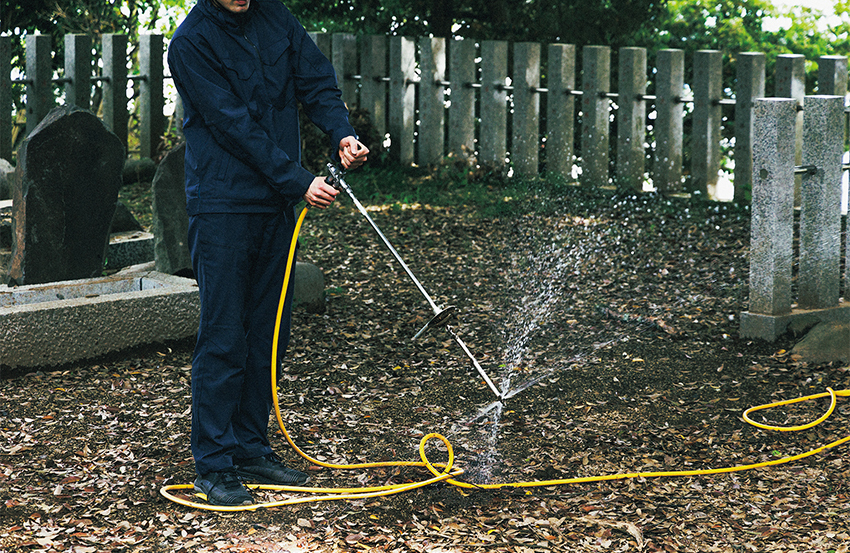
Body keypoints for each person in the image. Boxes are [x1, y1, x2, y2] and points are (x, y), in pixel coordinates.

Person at [168, 0, 368, 506]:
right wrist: (299, 179)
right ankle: (213, 464)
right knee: (224, 332)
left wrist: (340, 131)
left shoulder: (276, 18)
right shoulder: (190, 42)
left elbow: (316, 79)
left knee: (265, 329)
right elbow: (233, 125)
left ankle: (251, 448)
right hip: (223, 206)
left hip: (275, 207)